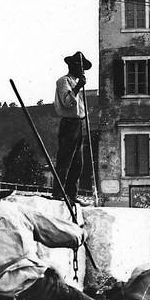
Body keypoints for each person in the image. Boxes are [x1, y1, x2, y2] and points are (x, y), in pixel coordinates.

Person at [53, 51, 91, 203]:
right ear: (72, 66)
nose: (81, 71)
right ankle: (58, 193)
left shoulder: (77, 82)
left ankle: (72, 195)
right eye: (79, 67)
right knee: (65, 160)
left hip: (79, 124)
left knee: (77, 163)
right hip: (69, 124)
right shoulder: (64, 81)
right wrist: (77, 89)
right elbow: (67, 102)